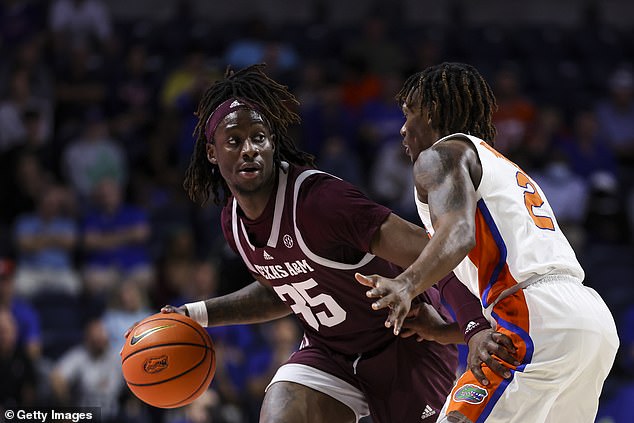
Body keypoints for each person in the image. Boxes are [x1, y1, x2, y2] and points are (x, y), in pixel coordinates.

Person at [132, 64, 513, 423]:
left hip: (403, 350)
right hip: (330, 352)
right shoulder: (233, 221)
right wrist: (194, 314)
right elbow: (281, 289)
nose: (249, 149)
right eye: (234, 141)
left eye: (259, 138)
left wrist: (473, 325)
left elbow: (427, 249)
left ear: (273, 145)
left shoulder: (320, 202)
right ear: (212, 153)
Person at [355, 62, 620, 423]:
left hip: (535, 316)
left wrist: (406, 283)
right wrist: (448, 330)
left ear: (431, 111)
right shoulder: (500, 166)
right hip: (589, 323)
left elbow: (458, 235)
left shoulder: (442, 155)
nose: (403, 128)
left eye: (408, 113)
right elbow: (464, 262)